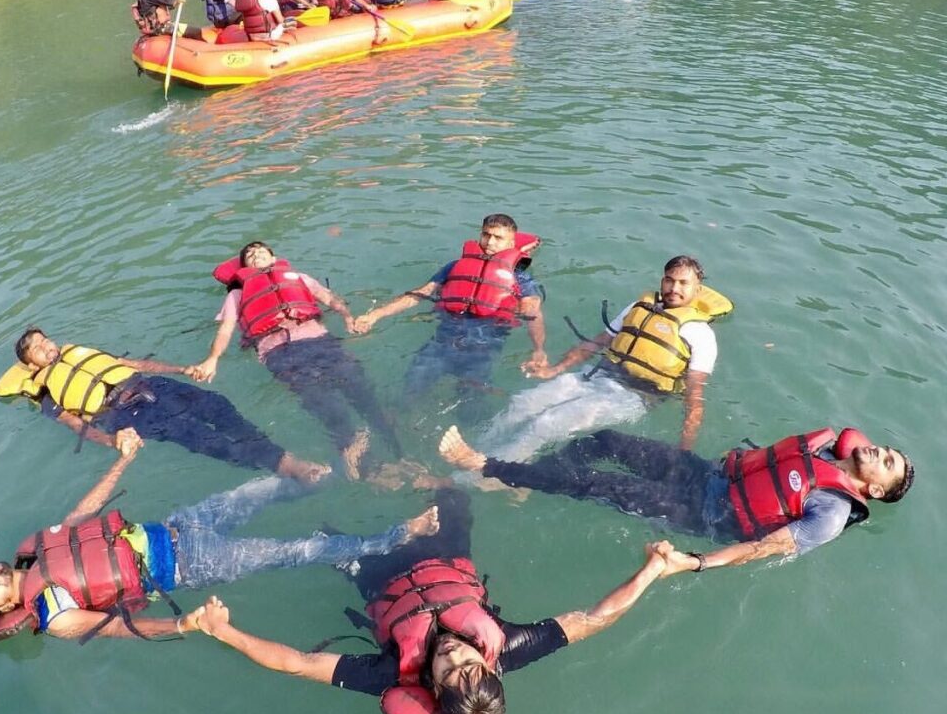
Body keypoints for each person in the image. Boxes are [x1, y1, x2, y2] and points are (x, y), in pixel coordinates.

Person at [188, 487, 679, 714]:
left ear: (433, 688)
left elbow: (297, 662)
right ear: (489, 667)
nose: (453, 654)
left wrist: (222, 630)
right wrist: (652, 570)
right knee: (453, 493)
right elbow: (595, 618)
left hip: (379, 576)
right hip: (446, 558)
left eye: (449, 671)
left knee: (319, 537)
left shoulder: (391, 672)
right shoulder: (509, 645)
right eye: (469, 663)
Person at [0, 436, 438, 644]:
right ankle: (397, 536)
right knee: (297, 550)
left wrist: (123, 461)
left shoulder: (36, 550)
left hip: (179, 523)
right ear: (2, 609)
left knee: (269, 487)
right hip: (192, 563)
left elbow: (83, 514)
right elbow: (119, 628)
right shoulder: (53, 613)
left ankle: (344, 471)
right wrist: (183, 625)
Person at [439, 424, 915, 567]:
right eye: (888, 449)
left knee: (596, 483)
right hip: (708, 475)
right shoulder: (828, 450)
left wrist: (696, 562)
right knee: (607, 441)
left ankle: (489, 467)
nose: (880, 450)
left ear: (874, 490)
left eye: (888, 461)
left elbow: (762, 548)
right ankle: (530, 480)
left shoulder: (831, 512)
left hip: (702, 513)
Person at [0, 327, 328, 484]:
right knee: (196, 435)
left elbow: (132, 363)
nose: (46, 346)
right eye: (37, 348)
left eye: (45, 339)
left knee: (216, 405)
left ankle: (278, 457)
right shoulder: (46, 392)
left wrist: (182, 369)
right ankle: (285, 466)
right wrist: (112, 440)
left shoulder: (78, 352)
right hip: (122, 412)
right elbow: (74, 423)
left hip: (150, 385)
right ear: (31, 364)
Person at [191, 242, 400, 480]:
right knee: (327, 406)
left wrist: (347, 317)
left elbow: (329, 298)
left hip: (319, 340)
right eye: (250, 255)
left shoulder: (299, 278)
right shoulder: (237, 294)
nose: (256, 255)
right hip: (279, 352)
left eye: (261, 251)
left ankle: (394, 444)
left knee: (361, 389)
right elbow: (226, 329)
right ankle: (366, 465)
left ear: (274, 258)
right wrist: (212, 359)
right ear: (244, 266)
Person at [522, 255, 731, 451]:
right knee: (523, 404)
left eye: (683, 283)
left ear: (697, 289)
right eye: (669, 280)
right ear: (662, 281)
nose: (674, 288)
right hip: (600, 375)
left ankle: (506, 468)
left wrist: (684, 449)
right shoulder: (638, 307)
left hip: (637, 396)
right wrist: (555, 369)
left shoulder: (701, 334)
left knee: (547, 423)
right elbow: (598, 342)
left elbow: (695, 395)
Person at [351, 214, 546, 404]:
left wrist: (538, 349)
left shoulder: (519, 278)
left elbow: (533, 311)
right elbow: (421, 293)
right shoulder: (455, 266)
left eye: (498, 237)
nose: (490, 242)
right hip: (442, 343)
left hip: (481, 351)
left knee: (469, 407)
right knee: (409, 395)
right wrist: (376, 315)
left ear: (511, 243)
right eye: (486, 235)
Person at [133, 0, 207, 39]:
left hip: (156, 27)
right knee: (197, 32)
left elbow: (155, 8)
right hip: (160, 28)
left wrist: (175, 3)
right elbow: (169, 1)